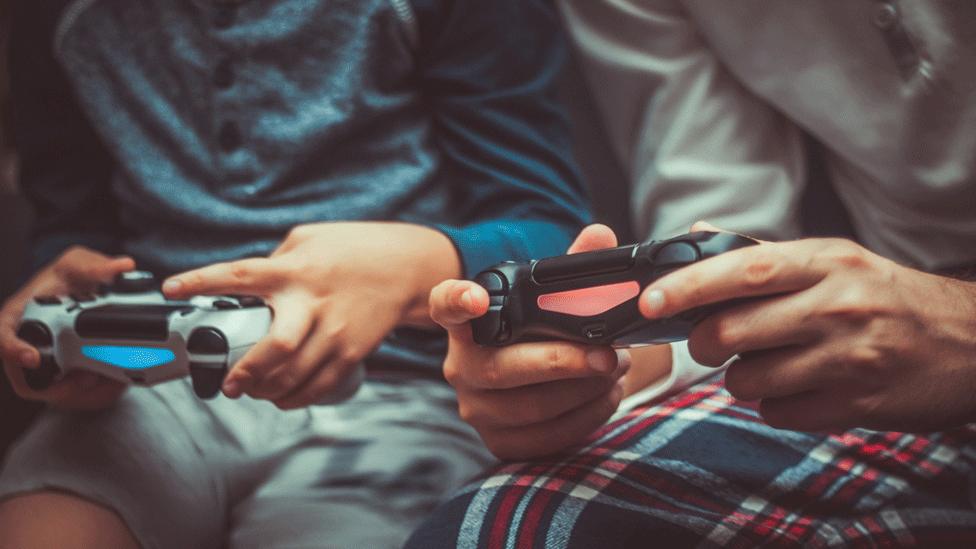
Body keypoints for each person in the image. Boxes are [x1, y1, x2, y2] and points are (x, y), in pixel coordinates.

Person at [0, 2, 590, 547]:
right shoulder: (52, 16)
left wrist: (418, 266)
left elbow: (553, 241)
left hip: (403, 388)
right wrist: (56, 321)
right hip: (148, 387)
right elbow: (75, 224)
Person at [407, 1, 976, 546]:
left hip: (933, 341)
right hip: (891, 363)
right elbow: (722, 235)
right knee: (507, 526)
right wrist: (593, 377)